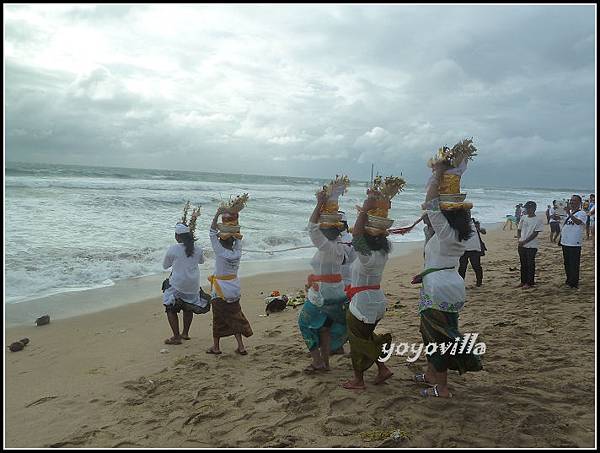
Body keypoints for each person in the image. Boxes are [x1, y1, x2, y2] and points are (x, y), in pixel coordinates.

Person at [414, 142, 483, 398]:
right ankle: (432, 375)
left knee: (437, 339)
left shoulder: (444, 232)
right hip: (450, 283)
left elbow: (430, 203)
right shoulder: (463, 232)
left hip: (439, 288)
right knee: (433, 332)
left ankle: (441, 387)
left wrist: (437, 172)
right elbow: (433, 211)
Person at [342, 176, 404, 390]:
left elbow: (357, 234)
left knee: (357, 341)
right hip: (376, 301)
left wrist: (364, 210)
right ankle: (382, 368)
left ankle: (359, 380)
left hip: (363, 303)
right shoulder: (383, 251)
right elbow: (360, 234)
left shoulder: (366, 255)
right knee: (366, 337)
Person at [298, 176, 349, 373]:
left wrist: (319, 204)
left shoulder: (327, 246)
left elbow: (311, 226)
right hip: (336, 290)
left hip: (324, 293)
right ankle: (326, 363)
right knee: (325, 328)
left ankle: (318, 361)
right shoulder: (339, 245)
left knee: (304, 323)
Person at [206, 196, 253, 355]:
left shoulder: (220, 251)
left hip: (220, 290)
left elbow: (212, 232)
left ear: (221, 239)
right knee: (235, 316)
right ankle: (240, 346)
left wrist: (217, 214)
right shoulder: (237, 250)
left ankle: (216, 347)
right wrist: (235, 217)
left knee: (218, 319)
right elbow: (237, 234)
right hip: (234, 287)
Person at [162, 208, 205, 345]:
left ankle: (176, 337)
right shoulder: (197, 248)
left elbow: (165, 266)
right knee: (188, 306)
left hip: (178, 283)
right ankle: (185, 333)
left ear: (177, 236)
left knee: (170, 307)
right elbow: (201, 261)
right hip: (193, 284)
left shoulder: (173, 249)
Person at [560, 195, 587, 289]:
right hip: (565, 241)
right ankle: (568, 280)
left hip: (574, 242)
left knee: (574, 263)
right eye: (571, 200)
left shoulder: (582, 213)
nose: (571, 202)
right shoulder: (568, 213)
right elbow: (563, 223)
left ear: (579, 203)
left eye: (574, 201)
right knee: (567, 263)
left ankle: (574, 283)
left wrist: (569, 214)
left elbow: (578, 222)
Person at [516, 201, 544, 289]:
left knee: (530, 264)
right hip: (521, 244)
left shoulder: (538, 220)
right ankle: (523, 281)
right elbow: (519, 229)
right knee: (523, 264)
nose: (527, 210)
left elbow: (535, 233)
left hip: (532, 245)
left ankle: (530, 282)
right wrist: (519, 239)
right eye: (527, 208)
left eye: (529, 208)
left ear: (534, 209)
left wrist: (525, 241)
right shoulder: (523, 217)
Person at [458, 217, 486, 287]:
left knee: (476, 266)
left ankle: (479, 283)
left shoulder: (474, 221)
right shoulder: (458, 221)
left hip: (475, 248)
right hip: (463, 248)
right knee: (462, 267)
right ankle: (460, 284)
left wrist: (479, 229)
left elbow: (484, 232)